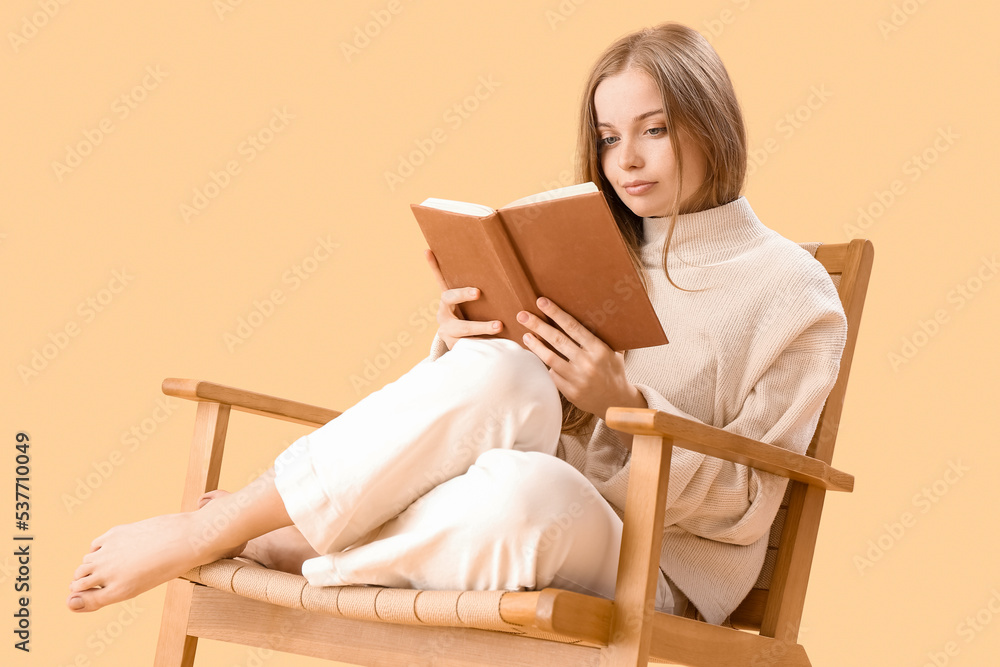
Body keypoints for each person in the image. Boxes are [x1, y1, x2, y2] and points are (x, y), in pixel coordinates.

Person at [67, 22, 846, 627]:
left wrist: (623, 406)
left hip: (650, 561)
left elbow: (748, 502)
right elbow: (483, 408)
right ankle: (221, 529)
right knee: (503, 378)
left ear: (711, 123)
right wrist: (462, 331)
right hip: (503, 492)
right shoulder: (590, 243)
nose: (626, 161)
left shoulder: (794, 293)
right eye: (609, 138)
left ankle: (283, 534)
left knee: (525, 494)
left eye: (654, 128)